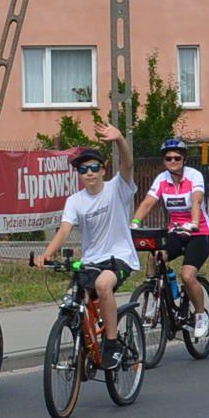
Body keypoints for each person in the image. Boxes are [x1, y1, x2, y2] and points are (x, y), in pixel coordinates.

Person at [34, 119, 139, 368]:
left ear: (103, 169)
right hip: (91, 260)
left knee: (104, 285)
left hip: (120, 257)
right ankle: (87, 343)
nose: (89, 173)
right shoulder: (75, 200)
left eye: (93, 168)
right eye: (83, 170)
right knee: (72, 299)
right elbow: (64, 230)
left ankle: (112, 344)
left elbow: (128, 164)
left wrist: (120, 138)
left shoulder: (117, 188)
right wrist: (46, 254)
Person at [132, 135, 209, 336]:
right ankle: (156, 298)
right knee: (155, 256)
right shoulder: (162, 179)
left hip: (199, 233)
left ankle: (199, 314)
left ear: (184, 159)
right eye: (168, 158)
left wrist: (194, 223)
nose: (172, 162)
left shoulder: (194, 176)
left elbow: (196, 201)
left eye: (177, 158)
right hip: (176, 231)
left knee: (187, 275)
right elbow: (147, 203)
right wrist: (134, 224)